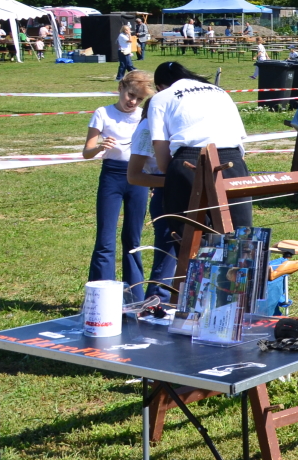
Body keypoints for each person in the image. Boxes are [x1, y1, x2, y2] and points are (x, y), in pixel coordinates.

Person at [149, 61, 254, 265]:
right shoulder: (220, 92)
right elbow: (239, 141)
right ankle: (240, 279)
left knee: (189, 242)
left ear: (160, 86)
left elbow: (161, 155)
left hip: (187, 160)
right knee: (240, 237)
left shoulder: (161, 98)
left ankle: (196, 281)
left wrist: (174, 177)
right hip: (231, 159)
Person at [83, 70, 155, 292]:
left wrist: (153, 180)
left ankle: (135, 293)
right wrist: (99, 147)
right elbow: (86, 152)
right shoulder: (103, 113)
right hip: (111, 177)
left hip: (139, 178)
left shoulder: (145, 116)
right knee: (105, 239)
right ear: (120, 88)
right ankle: (102, 293)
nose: (133, 102)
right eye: (130, 95)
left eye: (139, 99)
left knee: (133, 239)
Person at [126, 83, 169, 295]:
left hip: (180, 188)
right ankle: (156, 300)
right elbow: (134, 175)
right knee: (167, 252)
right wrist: (174, 182)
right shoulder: (146, 130)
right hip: (165, 192)